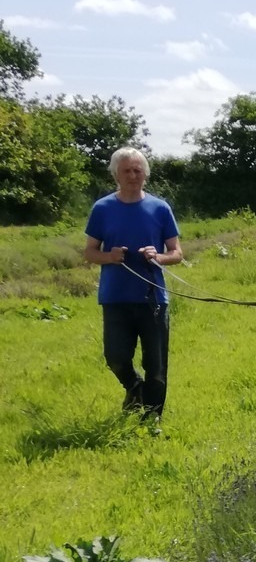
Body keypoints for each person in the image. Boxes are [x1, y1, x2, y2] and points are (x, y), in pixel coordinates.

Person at [83, 148, 182, 418]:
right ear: (116, 174)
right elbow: (89, 251)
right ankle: (134, 387)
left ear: (145, 174)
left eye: (138, 170)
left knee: (156, 364)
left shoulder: (160, 208)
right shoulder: (102, 208)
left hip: (153, 299)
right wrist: (109, 256)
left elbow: (177, 253)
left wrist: (158, 256)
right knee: (115, 358)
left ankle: (152, 419)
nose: (132, 175)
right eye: (126, 170)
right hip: (115, 297)